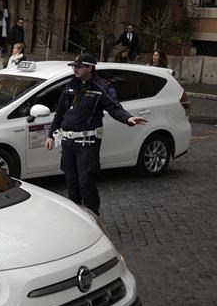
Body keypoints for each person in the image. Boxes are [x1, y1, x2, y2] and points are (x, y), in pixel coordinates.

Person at [44, 53, 148, 215]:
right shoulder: (70, 85)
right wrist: (51, 134)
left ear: (90, 68)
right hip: (67, 143)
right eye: (74, 67)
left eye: (78, 67)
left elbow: (114, 108)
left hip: (87, 144)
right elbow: (60, 113)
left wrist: (128, 118)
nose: (75, 69)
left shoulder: (101, 87)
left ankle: (93, 218)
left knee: (86, 184)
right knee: (71, 184)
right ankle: (77, 218)